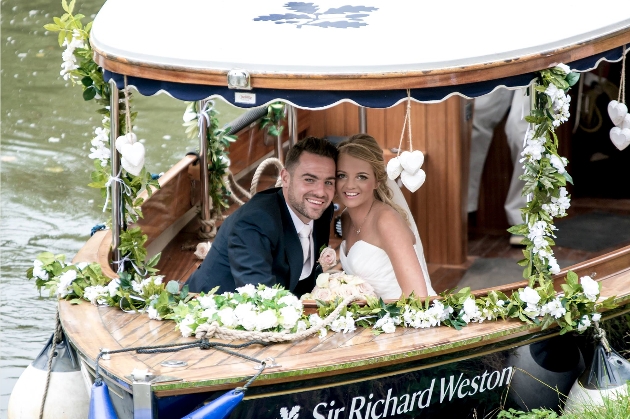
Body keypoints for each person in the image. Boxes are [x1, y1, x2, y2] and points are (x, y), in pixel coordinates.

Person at [186, 137, 338, 297]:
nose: (321, 192)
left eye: (328, 182)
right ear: (285, 178)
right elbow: (259, 298)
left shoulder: (322, 211)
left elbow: (306, 277)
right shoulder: (254, 222)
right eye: (309, 180)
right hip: (214, 309)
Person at [335, 134, 436, 299]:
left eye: (361, 176)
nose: (350, 185)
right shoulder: (346, 218)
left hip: (408, 316)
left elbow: (418, 297)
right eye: (342, 175)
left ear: (377, 181)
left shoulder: (386, 221)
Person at [467, 88, 529, 245]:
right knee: (475, 115)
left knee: (522, 129)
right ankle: (464, 210)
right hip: (507, 63)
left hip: (544, 67)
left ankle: (523, 218)